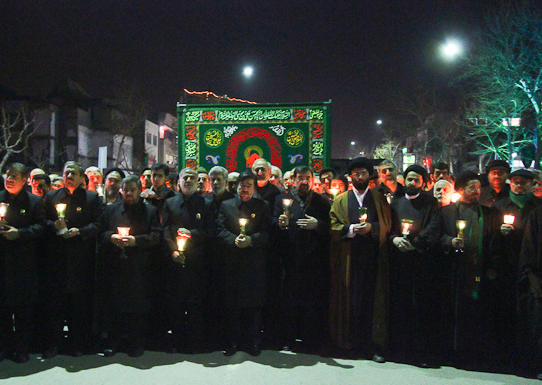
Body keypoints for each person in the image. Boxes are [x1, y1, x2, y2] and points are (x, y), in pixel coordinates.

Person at [329, 157, 391, 363]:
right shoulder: (341, 200)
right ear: (351, 176)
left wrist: (372, 228)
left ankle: (371, 346)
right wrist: (349, 229)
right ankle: (350, 344)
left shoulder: (379, 199)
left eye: (364, 173)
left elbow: (388, 224)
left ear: (369, 176)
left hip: (373, 258)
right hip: (350, 259)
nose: (360, 177)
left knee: (371, 303)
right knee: (351, 302)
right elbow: (333, 225)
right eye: (356, 173)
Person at [42, 161, 104, 358]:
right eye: (66, 172)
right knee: (56, 305)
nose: (68, 175)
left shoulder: (91, 198)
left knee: (79, 305)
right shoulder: (51, 197)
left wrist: (81, 232)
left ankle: (78, 343)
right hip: (57, 258)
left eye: (73, 173)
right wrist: (55, 226)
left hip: (81, 259)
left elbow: (99, 223)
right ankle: (54, 343)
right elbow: (43, 220)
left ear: (80, 178)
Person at [440, 171, 500, 365]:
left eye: (478, 188)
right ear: (460, 190)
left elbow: (493, 241)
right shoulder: (448, 212)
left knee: (475, 312)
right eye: (471, 188)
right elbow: (438, 235)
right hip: (454, 270)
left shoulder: (488, 213)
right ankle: (453, 352)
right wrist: (450, 241)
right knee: (453, 311)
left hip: (478, 270)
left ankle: (473, 353)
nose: (476, 192)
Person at [96, 175, 160, 357]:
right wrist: (111, 237)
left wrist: (136, 241)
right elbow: (100, 232)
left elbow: (156, 236)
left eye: (133, 190)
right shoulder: (111, 210)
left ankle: (136, 342)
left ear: (140, 191)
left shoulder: (150, 211)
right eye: (126, 190)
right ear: (121, 191)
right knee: (114, 306)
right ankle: (113, 341)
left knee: (137, 308)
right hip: (115, 265)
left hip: (139, 267)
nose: (129, 193)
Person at [389, 165, 442, 367]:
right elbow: (389, 227)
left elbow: (434, 227)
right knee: (399, 305)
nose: (412, 183)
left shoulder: (430, 203)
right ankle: (398, 349)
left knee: (420, 307)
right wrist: (394, 239)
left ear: (423, 182)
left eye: (416, 180)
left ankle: (419, 351)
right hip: (399, 261)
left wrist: (416, 242)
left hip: (421, 261)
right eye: (409, 179)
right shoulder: (396, 203)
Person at [274, 166, 331, 353]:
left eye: (307, 178)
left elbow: (331, 228)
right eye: (300, 178)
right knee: (288, 301)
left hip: (313, 260)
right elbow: (273, 222)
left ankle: (308, 339)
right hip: (289, 258)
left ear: (313, 180)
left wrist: (318, 225)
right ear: (293, 179)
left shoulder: (322, 201)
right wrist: (279, 224)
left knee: (311, 301)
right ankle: (287, 338)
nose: (304, 182)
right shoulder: (282, 199)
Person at [217, 170, 270, 356]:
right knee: (231, 305)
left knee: (253, 306)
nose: (244, 189)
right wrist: (233, 240)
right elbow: (220, 229)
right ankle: (231, 342)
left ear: (254, 188)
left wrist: (251, 240)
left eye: (248, 186)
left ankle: (253, 342)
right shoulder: (226, 205)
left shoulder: (263, 206)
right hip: (232, 262)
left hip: (253, 264)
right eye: (241, 185)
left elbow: (267, 233)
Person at [162, 168, 214, 353]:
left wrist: (194, 234)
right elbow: (166, 231)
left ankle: (193, 343)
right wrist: (173, 252)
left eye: (193, 178)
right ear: (179, 181)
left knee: (195, 305)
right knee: (175, 304)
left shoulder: (206, 204)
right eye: (186, 177)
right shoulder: (170, 203)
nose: (189, 180)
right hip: (175, 261)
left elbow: (211, 232)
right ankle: (176, 341)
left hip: (197, 263)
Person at [0, 163, 46, 363]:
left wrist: (19, 233)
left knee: (23, 311)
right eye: (8, 174)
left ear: (24, 180)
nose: (9, 178)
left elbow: (41, 227)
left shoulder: (34, 202)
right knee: (2, 310)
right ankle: (4, 348)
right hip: (2, 264)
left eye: (15, 176)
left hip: (23, 265)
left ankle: (21, 349)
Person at [493, 168, 534, 366]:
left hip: (531, 268)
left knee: (529, 315)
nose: (519, 185)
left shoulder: (537, 207)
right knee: (505, 312)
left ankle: (528, 357)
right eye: (515, 181)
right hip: (506, 266)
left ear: (532, 185)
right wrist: (499, 233)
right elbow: (489, 238)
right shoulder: (499, 206)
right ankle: (505, 357)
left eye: (523, 182)